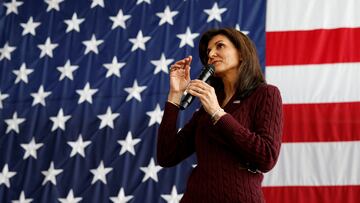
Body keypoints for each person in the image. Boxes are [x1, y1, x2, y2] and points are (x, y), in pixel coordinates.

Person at [157, 28, 283, 202]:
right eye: (208, 51)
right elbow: (166, 155)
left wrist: (218, 113)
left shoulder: (266, 94)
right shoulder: (206, 107)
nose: (211, 54)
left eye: (220, 46)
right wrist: (175, 95)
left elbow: (267, 157)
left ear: (242, 54)